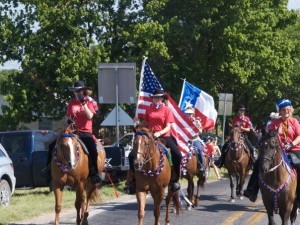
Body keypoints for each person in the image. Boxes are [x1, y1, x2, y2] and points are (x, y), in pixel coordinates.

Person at [41, 80, 102, 184]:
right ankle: (48, 169)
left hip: (85, 131)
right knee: (52, 144)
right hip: (73, 131)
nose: (76, 93)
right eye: (75, 91)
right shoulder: (72, 102)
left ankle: (94, 173)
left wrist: (83, 103)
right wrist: (69, 120)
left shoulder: (89, 102)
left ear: (84, 91)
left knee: (92, 149)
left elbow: (90, 116)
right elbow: (67, 117)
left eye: (79, 91)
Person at [243, 99, 300, 202]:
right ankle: (252, 190)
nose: (286, 111)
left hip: (293, 149)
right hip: (276, 149)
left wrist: (291, 144)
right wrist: (275, 133)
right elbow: (268, 136)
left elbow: (299, 136)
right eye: (283, 110)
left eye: (288, 109)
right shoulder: (275, 123)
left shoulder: (294, 121)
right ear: (280, 111)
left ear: (291, 110)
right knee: (258, 163)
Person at [130, 88, 182, 192]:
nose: (156, 99)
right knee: (132, 155)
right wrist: (137, 123)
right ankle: (133, 180)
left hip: (164, 136)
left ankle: (174, 180)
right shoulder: (149, 109)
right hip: (150, 136)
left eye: (158, 97)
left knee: (177, 154)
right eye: (154, 97)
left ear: (162, 98)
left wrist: (159, 132)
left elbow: (168, 126)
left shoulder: (167, 110)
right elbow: (145, 123)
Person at [184, 107, 205, 171]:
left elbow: (200, 131)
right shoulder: (183, 122)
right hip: (186, 140)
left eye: (190, 114)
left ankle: (202, 165)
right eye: (187, 114)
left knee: (199, 149)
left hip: (195, 139)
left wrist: (196, 131)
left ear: (193, 114)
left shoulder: (197, 122)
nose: (189, 115)